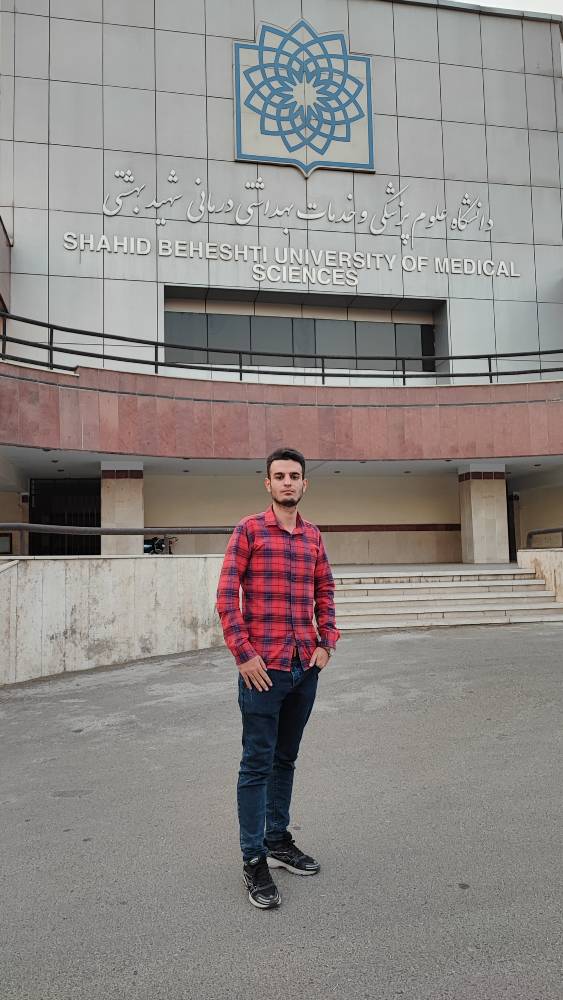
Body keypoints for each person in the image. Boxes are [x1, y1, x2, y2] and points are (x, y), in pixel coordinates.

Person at [216, 447, 340, 909]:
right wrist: (244, 655)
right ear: (267, 483)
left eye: (295, 475)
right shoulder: (249, 530)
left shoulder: (313, 536)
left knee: (285, 759)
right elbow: (226, 597)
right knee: (256, 764)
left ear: (305, 483)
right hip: (261, 672)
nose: (288, 482)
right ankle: (253, 859)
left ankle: (277, 840)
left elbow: (325, 590)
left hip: (303, 668)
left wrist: (326, 644)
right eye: (280, 476)